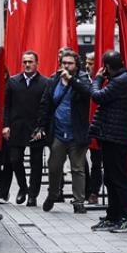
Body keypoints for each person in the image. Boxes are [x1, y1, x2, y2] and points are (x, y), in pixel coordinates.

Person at [35, 50, 92, 214]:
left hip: (77, 132)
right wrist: (41, 126)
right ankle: (53, 194)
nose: (66, 66)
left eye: (70, 63)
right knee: (54, 166)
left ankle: (79, 201)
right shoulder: (54, 79)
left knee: (78, 168)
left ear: (76, 64)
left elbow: (87, 92)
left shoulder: (82, 78)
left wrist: (71, 80)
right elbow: (46, 103)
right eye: (64, 63)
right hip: (58, 132)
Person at [89, 51, 127, 233]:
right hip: (112, 136)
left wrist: (97, 79)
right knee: (111, 178)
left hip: (116, 138)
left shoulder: (121, 82)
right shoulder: (123, 80)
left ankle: (126, 218)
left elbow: (97, 96)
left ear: (107, 67)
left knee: (118, 179)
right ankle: (113, 216)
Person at [1, 51, 46, 206]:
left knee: (36, 162)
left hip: (36, 128)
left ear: (36, 63)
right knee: (15, 159)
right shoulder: (13, 82)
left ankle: (33, 195)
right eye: (25, 62)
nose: (27, 64)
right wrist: (5, 125)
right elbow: (7, 106)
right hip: (16, 127)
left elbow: (46, 108)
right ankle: (23, 188)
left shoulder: (44, 83)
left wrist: (42, 127)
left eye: (30, 62)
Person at [81, 52, 104, 207]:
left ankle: (94, 192)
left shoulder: (102, 82)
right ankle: (87, 189)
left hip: (98, 127)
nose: (88, 66)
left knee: (97, 161)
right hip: (82, 126)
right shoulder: (83, 79)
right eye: (87, 63)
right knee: (81, 161)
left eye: (91, 63)